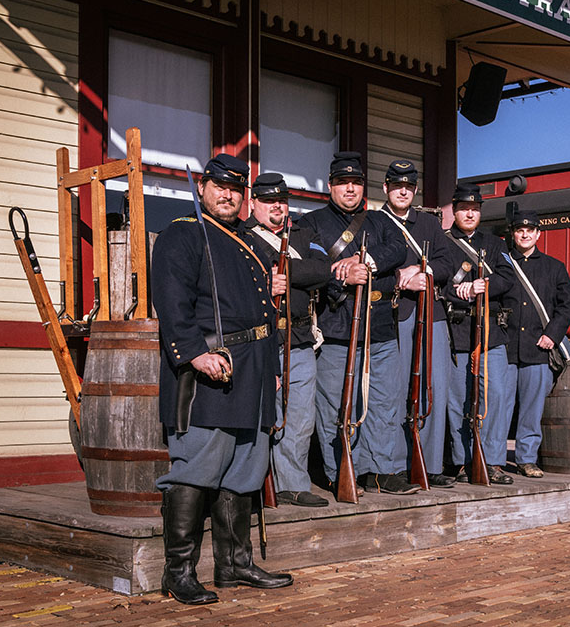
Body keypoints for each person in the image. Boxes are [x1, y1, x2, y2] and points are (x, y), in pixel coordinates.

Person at [152, 153, 293, 605]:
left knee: (244, 470)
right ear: (203, 188)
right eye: (219, 186)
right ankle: (179, 573)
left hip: (252, 370)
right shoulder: (183, 233)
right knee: (196, 470)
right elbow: (172, 302)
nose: (227, 194)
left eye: (235, 188)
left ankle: (234, 566)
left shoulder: (245, 242)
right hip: (212, 370)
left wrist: (270, 371)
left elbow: (263, 316)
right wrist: (194, 354)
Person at [295, 152, 412, 496]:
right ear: (330, 185)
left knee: (384, 403)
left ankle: (380, 471)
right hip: (336, 328)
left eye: (356, 183)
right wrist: (340, 273)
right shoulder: (311, 222)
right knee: (335, 406)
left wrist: (368, 263)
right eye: (343, 182)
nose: (350, 189)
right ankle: (338, 472)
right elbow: (312, 262)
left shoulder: (379, 220)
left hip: (379, 329)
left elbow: (399, 249)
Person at [246, 173, 332, 507]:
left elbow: (322, 271)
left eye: (281, 201)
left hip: (299, 336)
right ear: (254, 204)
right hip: (261, 339)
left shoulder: (304, 234)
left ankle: (292, 484)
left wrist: (286, 275)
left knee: (298, 417)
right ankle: (252, 485)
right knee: (259, 414)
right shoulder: (244, 237)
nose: (276, 207)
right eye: (268, 202)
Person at [380, 160, 457, 487]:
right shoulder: (374, 221)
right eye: (397, 186)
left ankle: (431, 463)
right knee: (395, 390)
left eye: (409, 187)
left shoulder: (427, 224)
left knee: (434, 388)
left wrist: (423, 273)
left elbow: (448, 262)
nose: (403, 191)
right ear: (385, 188)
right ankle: (396, 464)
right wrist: (400, 278)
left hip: (431, 313)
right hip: (393, 314)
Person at [444, 183, 516, 484]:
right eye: (464, 208)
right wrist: (455, 289)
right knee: (457, 398)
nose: (469, 213)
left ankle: (494, 460)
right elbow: (435, 278)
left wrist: (482, 286)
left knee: (496, 396)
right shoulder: (443, 242)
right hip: (457, 330)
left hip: (489, 332)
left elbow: (508, 278)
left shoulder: (495, 243)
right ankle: (462, 461)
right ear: (455, 210)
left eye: (474, 209)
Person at [502, 210, 570, 478]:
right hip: (506, 347)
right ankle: (494, 460)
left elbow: (566, 306)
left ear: (538, 234)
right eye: (520, 230)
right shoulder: (502, 264)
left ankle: (526, 459)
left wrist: (552, 335)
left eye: (530, 230)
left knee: (532, 410)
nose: (524, 234)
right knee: (500, 408)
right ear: (513, 233)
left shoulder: (554, 267)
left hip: (538, 348)